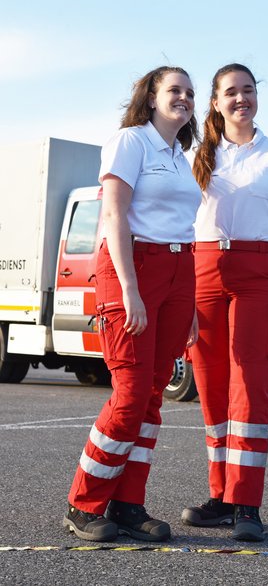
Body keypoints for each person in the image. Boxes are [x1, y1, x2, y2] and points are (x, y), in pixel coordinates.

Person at [63, 66, 201, 543]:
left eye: (189, 92)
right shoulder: (130, 142)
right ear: (152, 96)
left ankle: (126, 503)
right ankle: (84, 504)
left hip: (180, 272)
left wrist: (193, 305)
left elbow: (185, 230)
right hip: (133, 268)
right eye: (174, 90)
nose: (184, 98)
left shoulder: (182, 157)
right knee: (129, 393)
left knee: (152, 397)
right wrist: (129, 289)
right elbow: (114, 216)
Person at [181, 63, 268, 542]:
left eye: (248, 90)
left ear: (258, 98)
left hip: (259, 275)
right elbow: (179, 220)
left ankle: (246, 504)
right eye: (230, 92)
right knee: (212, 385)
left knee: (250, 384)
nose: (241, 99)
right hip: (203, 272)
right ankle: (220, 497)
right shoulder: (198, 155)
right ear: (214, 102)